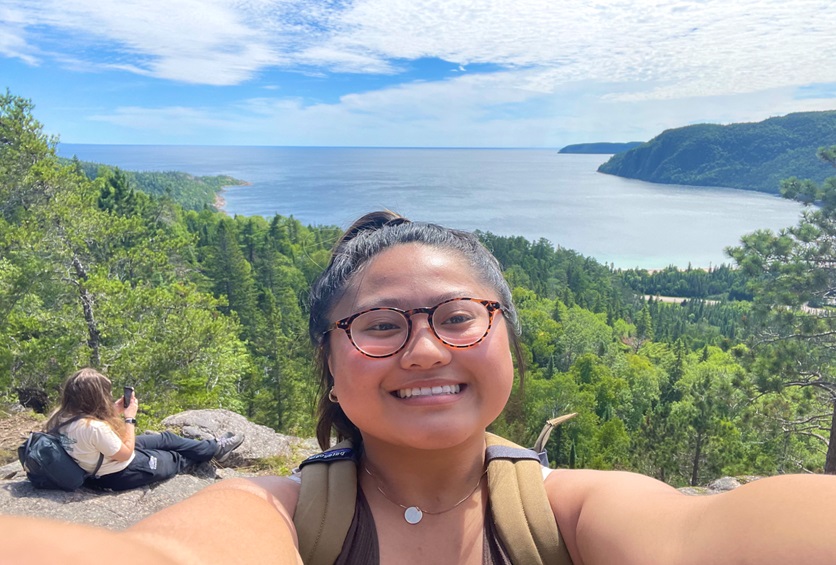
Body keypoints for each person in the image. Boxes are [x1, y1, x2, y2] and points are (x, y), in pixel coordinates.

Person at [3, 210, 836, 565]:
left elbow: (704, 535)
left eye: (458, 315)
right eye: (379, 324)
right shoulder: (277, 515)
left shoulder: (574, 513)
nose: (425, 348)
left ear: (505, 335)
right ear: (330, 362)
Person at [42, 367, 245, 491]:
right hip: (118, 472)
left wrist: (114, 411)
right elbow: (125, 454)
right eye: (105, 394)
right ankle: (213, 451)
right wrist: (130, 419)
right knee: (174, 457)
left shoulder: (60, 417)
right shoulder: (93, 428)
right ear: (94, 398)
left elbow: (86, 430)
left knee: (165, 438)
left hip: (101, 455)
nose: (108, 396)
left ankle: (214, 447)